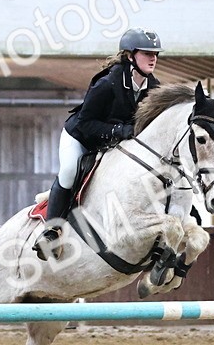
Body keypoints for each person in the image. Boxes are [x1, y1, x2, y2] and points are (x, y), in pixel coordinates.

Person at [33, 27, 163, 259]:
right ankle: (51, 230)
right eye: (146, 53)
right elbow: (86, 124)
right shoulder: (107, 83)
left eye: (155, 54)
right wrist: (120, 130)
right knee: (70, 170)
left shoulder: (153, 88)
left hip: (114, 144)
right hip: (81, 137)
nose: (153, 58)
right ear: (130, 56)